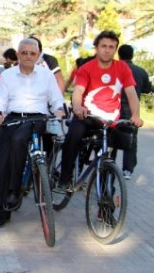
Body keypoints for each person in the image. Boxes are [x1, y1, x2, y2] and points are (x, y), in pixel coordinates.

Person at [0, 38, 65, 228]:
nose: (28, 57)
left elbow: (57, 99)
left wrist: (59, 109)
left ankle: (15, 189)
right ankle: (4, 211)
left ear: (38, 55)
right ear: (18, 54)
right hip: (13, 118)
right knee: (2, 165)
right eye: (24, 53)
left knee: (19, 138)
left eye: (32, 53)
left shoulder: (46, 75)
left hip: (37, 119)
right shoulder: (7, 75)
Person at [59, 31, 144, 190]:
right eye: (103, 46)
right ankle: (65, 176)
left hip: (110, 120)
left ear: (115, 50)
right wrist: (77, 107)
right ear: (96, 48)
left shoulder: (122, 68)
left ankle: (106, 204)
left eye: (111, 47)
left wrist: (135, 115)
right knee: (73, 136)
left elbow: (132, 94)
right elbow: (78, 91)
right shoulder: (86, 68)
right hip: (87, 115)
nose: (107, 50)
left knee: (108, 159)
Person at [115, 44, 152, 179]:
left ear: (118, 54)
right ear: (132, 55)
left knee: (109, 137)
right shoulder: (140, 71)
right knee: (131, 139)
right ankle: (127, 170)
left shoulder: (114, 69)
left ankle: (106, 166)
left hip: (114, 108)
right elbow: (148, 89)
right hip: (132, 110)